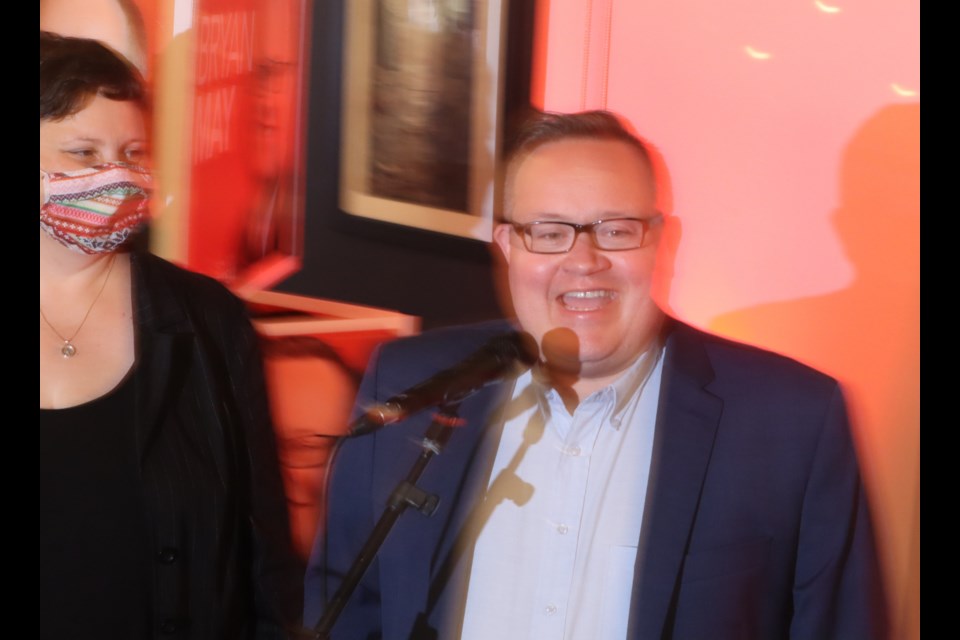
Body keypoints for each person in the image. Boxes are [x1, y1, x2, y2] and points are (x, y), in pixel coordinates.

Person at [305, 110, 888, 639]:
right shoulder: (410, 383)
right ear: (508, 245)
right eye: (550, 232)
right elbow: (347, 611)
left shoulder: (789, 421)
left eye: (616, 229)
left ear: (663, 240)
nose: (584, 261)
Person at [39, 32, 302, 639]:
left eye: (133, 151)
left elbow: (262, 550)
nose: (116, 175)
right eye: (83, 152)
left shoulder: (208, 320)